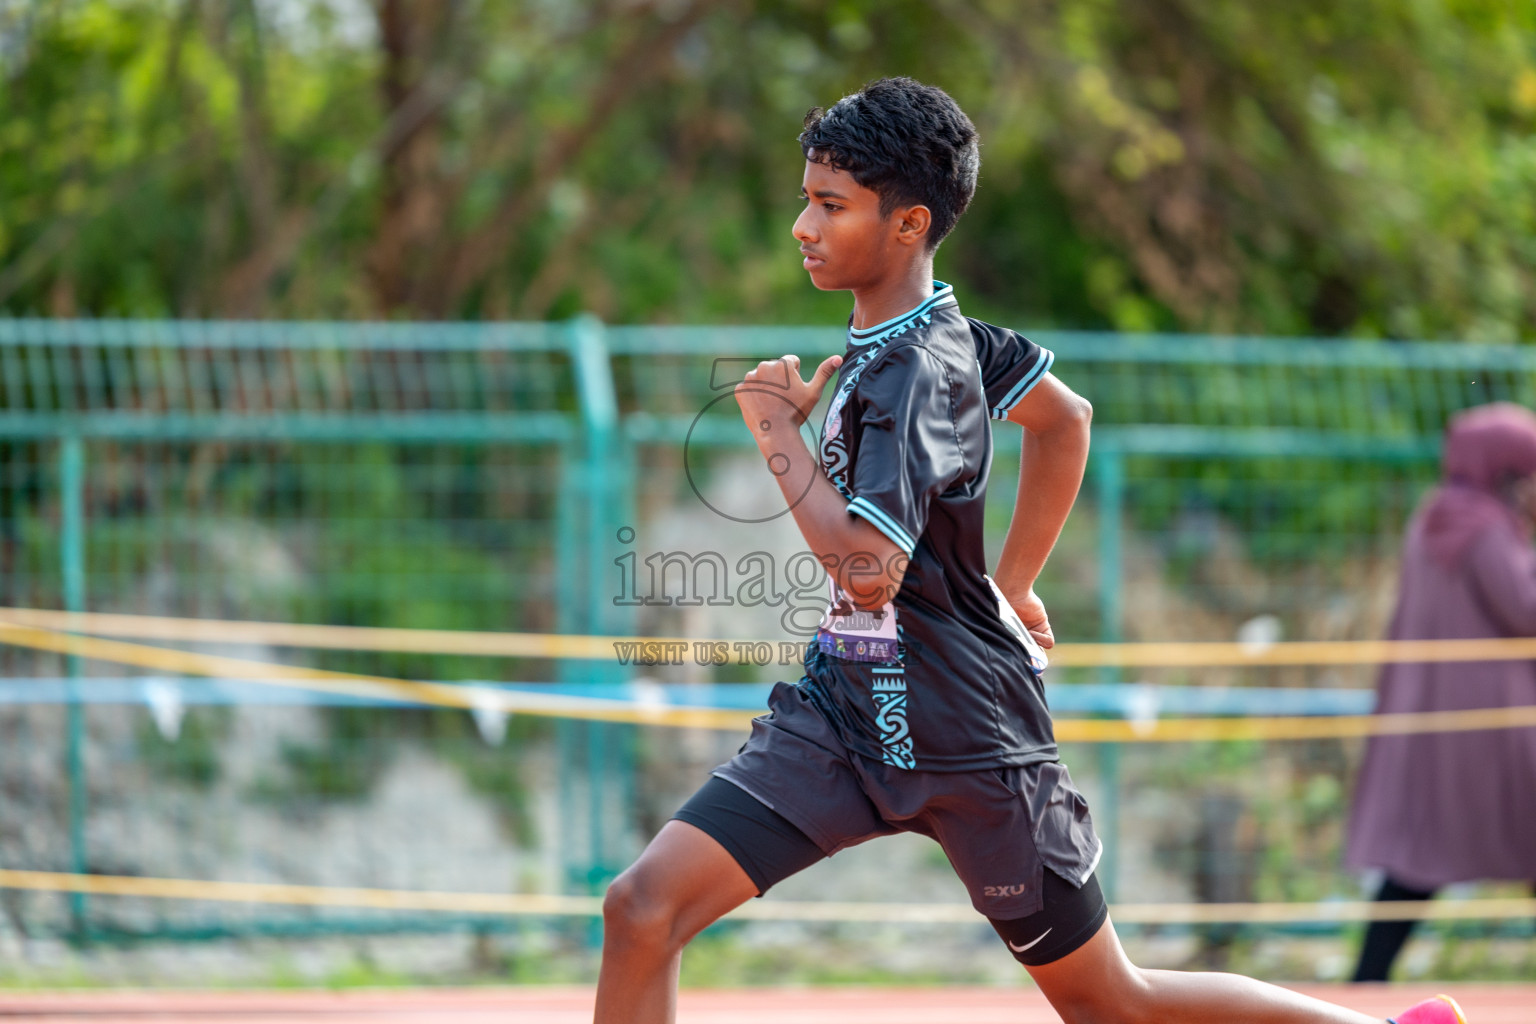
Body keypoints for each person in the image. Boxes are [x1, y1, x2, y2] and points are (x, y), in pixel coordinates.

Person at [592, 77, 1465, 1024]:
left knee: (1108, 1003)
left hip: (968, 733)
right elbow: (1065, 419)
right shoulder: (936, 336)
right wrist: (1011, 580)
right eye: (805, 198)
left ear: (908, 223)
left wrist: (774, 434)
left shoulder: (919, 370)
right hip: (847, 716)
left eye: (829, 205)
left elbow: (868, 568)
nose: (802, 225)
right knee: (641, 908)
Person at [1345, 403, 1536, 983]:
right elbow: (1527, 611)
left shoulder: (1433, 518)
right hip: (1498, 725)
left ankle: (1366, 980)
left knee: (1420, 857)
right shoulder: (1486, 530)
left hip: (1433, 722)